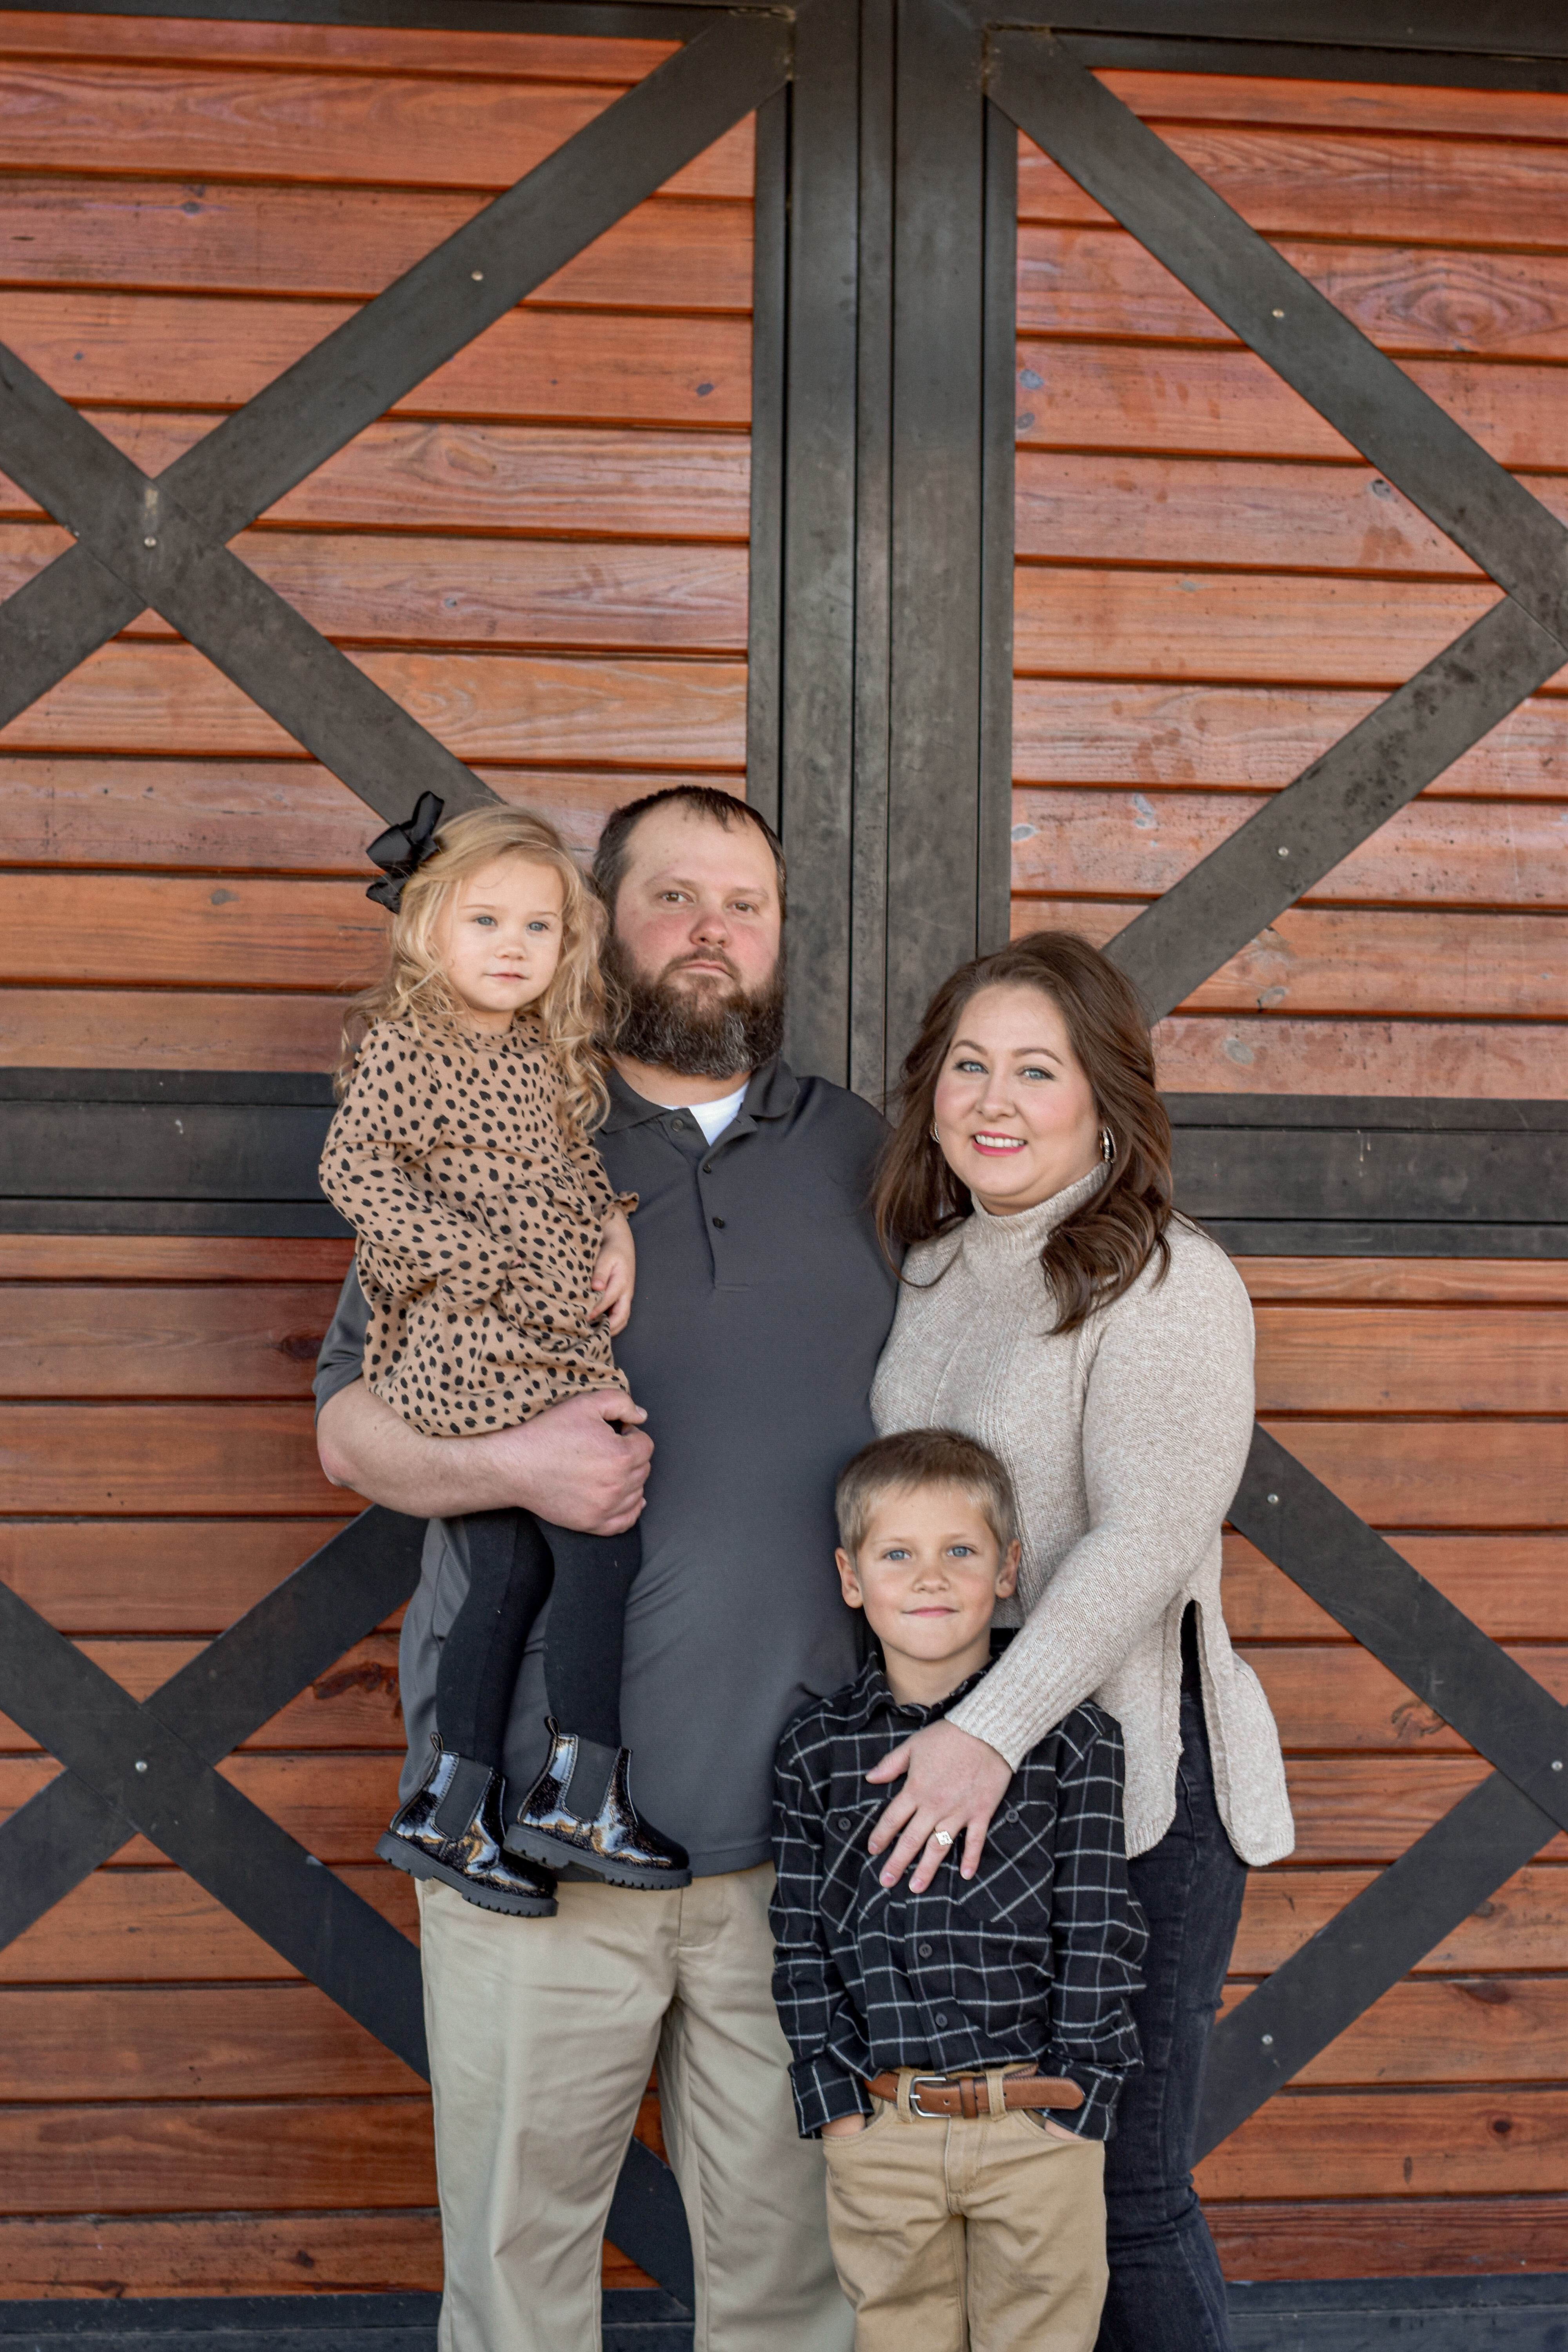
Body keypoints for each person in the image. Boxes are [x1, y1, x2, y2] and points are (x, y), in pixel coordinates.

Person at [313, 784, 898, 2352]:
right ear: (598, 924)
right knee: (519, 2282)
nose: (713, 927)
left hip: (799, 1838)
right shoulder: (491, 1118)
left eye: (746, 902)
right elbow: (350, 1432)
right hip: (526, 1829)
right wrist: (511, 1465)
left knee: (793, 2291)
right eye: (673, 896)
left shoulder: (876, 1158)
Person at [865, 931, 1294, 2352]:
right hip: (972, 1816)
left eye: (1035, 1070)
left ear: (1103, 1097)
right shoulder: (932, 1269)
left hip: (1134, 1808)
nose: (996, 1098)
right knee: (1010, 2199)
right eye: (969, 1065)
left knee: (1124, 2196)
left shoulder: (1163, 1278)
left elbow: (1150, 1540)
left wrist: (984, 1730)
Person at [318, 800, 686, 1919]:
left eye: (539, 928)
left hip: (535, 1327)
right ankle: (579, 1790)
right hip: (477, 1341)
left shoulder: (530, 1056)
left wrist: (613, 1222)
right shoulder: (410, 1048)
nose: (514, 948)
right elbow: (355, 1169)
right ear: (429, 930)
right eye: (486, 921)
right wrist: (466, 1260)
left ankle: (453, 1804)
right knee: (599, 1542)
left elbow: (560, 1174)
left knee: (510, 1570)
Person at [771, 1428, 1146, 2352]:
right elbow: (797, 1935)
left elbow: (1097, 1923)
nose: (929, 1577)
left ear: (1007, 1569)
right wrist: (836, 2106)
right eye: (897, 1554)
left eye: (959, 1553)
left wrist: (1081, 2098)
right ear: (851, 1578)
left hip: (1034, 2123)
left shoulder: (1075, 1744)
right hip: (885, 2125)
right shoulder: (815, 1751)